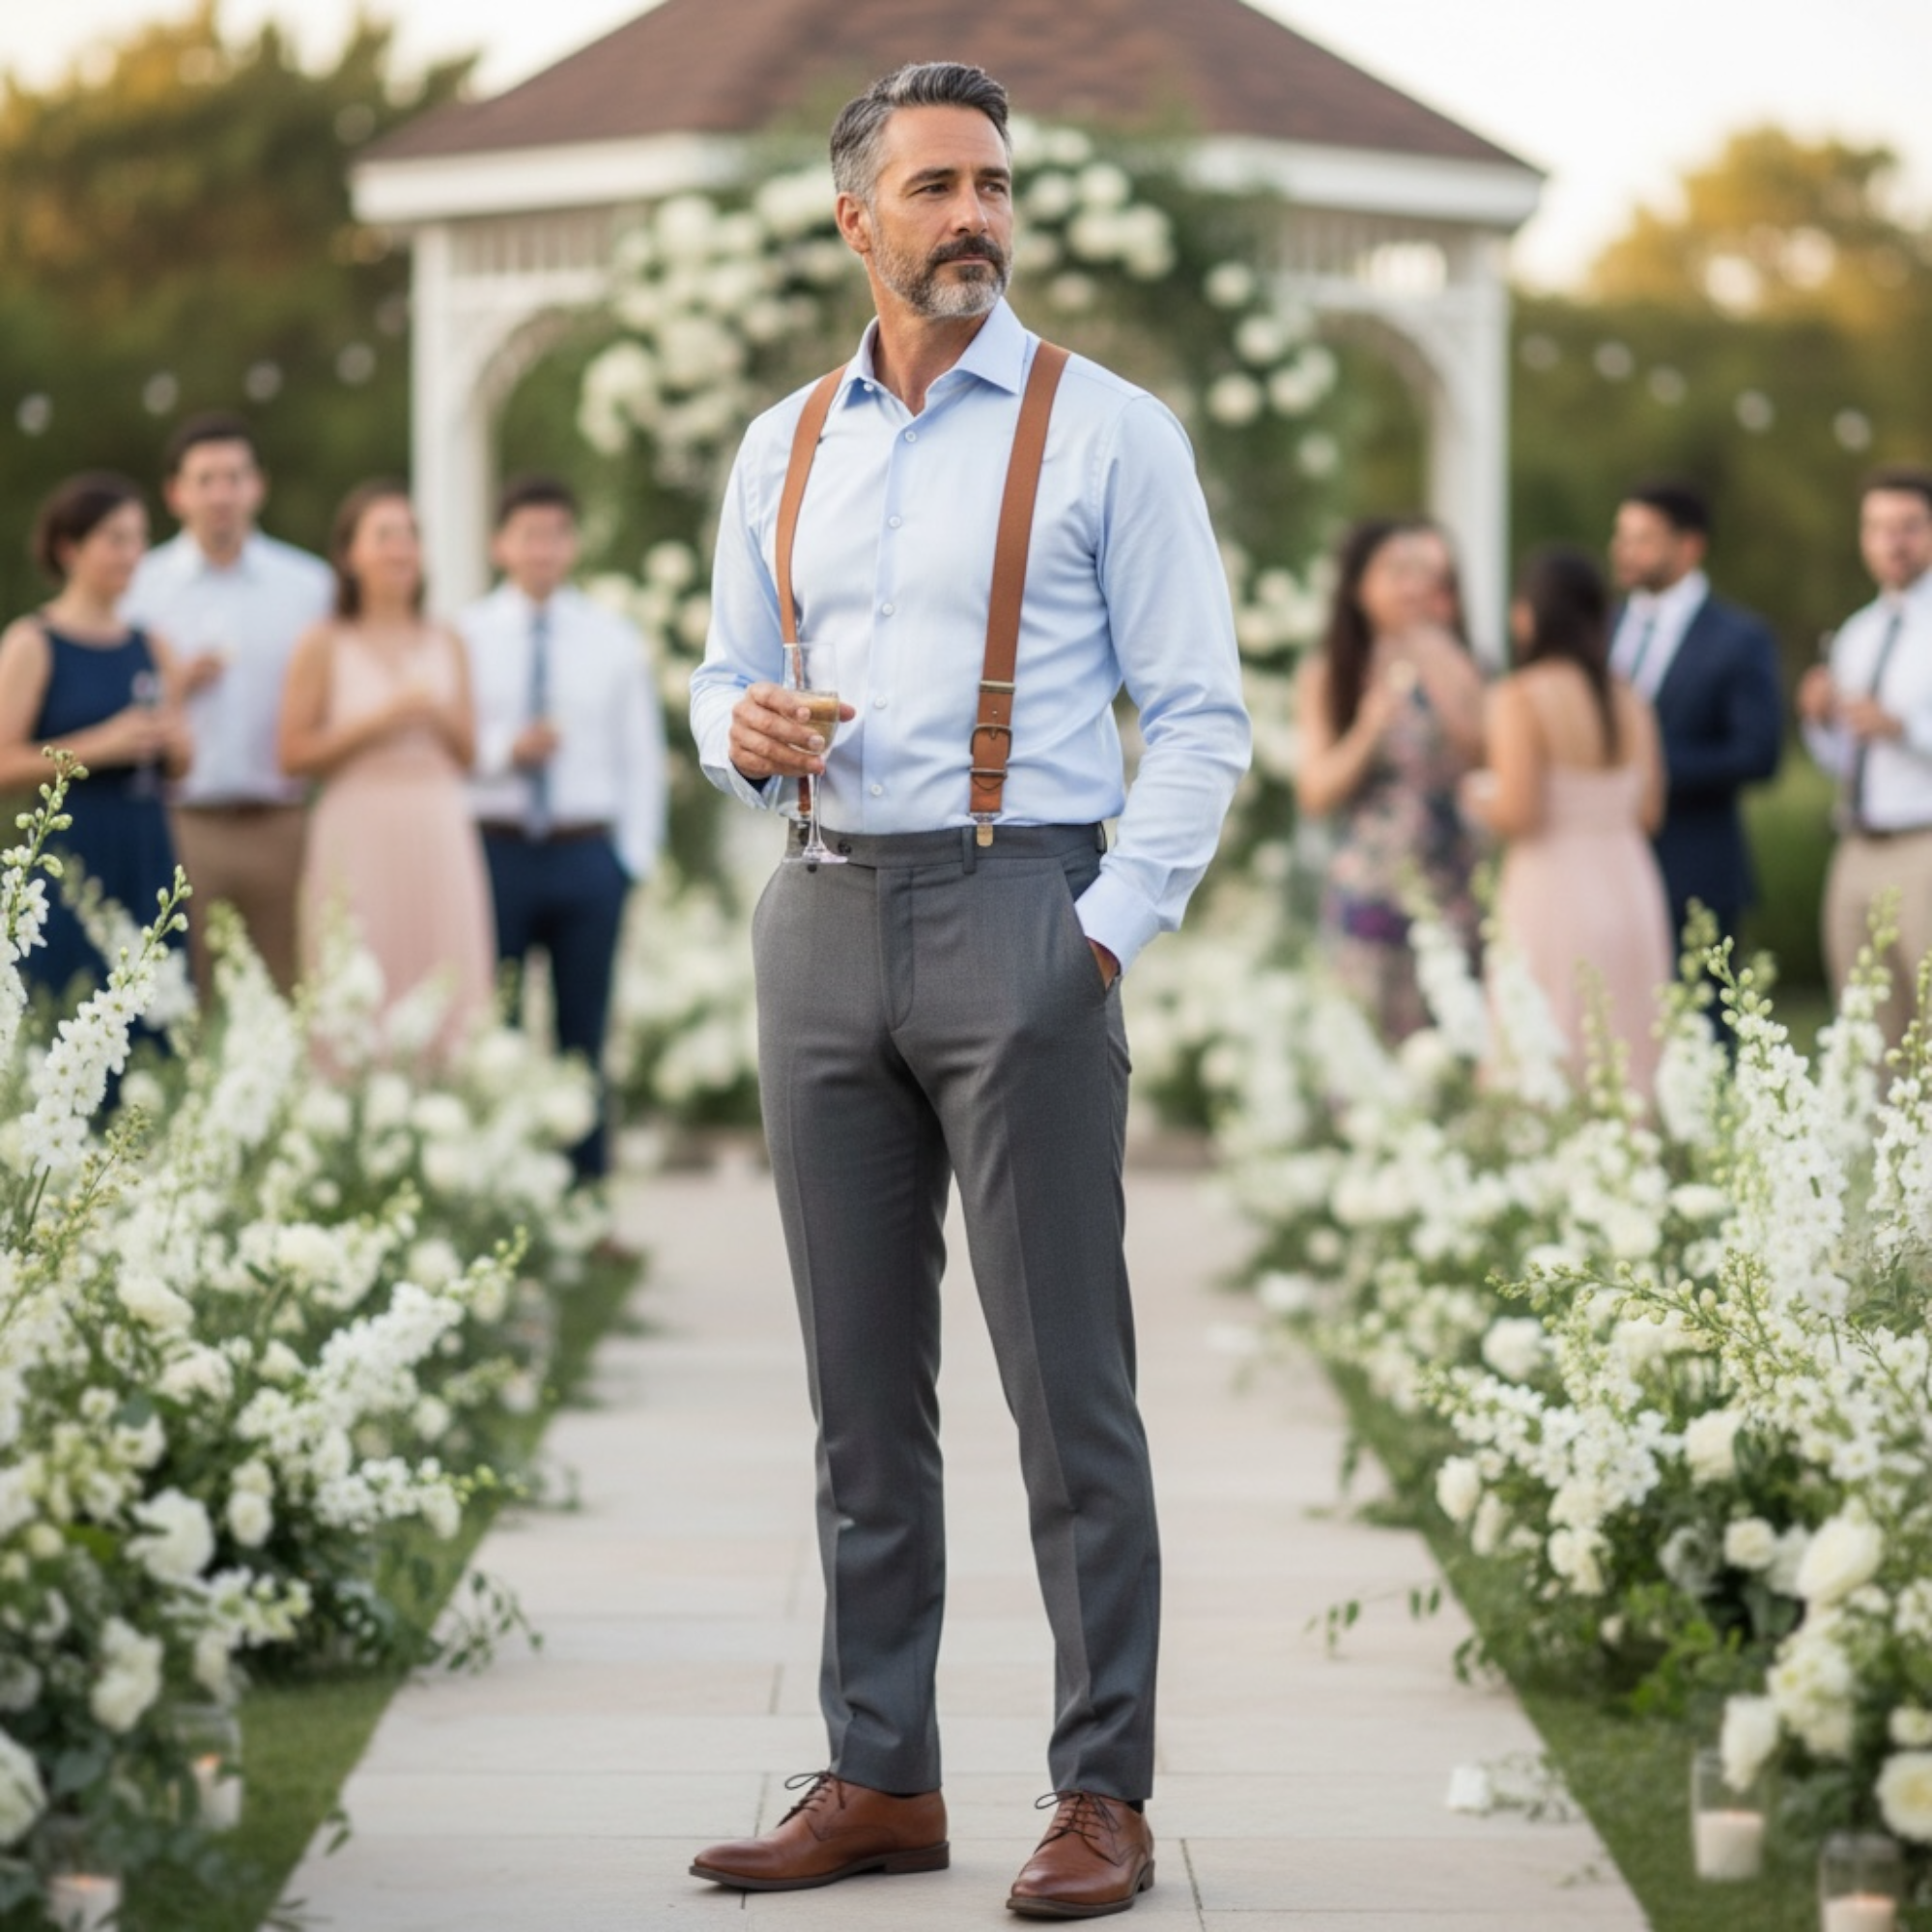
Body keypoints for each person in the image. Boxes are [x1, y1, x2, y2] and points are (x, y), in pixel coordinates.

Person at [685, 61, 1249, 1921]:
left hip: (1028, 913)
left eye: (995, 184)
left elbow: (1202, 718)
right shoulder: (784, 445)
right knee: (861, 1393)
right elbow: (724, 675)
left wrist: (1101, 933)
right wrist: (740, 731)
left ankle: (1102, 1792)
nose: (974, 217)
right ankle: (883, 1775)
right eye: (934, 187)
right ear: (858, 218)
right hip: (822, 913)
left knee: (1068, 1388)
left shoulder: (1112, 433)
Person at [460, 475, 668, 1179]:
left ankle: (586, 1202)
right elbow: (451, 747)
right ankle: (506, 1191)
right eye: (527, 534)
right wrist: (503, 752)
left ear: (571, 544)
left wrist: (629, 861)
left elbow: (641, 756)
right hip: (497, 850)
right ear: (500, 545)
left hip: (586, 855)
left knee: (585, 1036)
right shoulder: (467, 635)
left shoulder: (612, 639)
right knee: (500, 1033)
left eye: (555, 534)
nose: (542, 549)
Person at [277, 482, 494, 1054]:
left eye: (410, 535)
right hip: (356, 823)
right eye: (385, 535)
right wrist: (383, 718)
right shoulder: (322, 643)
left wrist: (436, 714)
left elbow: (470, 752)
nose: (401, 549)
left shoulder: (448, 639)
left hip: (437, 820)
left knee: (444, 967)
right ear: (350, 555)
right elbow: (293, 755)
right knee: (355, 973)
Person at [123, 412, 331, 996]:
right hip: (180, 823)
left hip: (285, 824)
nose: (222, 494)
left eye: (235, 477)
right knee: (178, 999)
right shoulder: (141, 586)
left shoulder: (311, 587)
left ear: (257, 486)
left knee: (294, 998)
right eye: (206, 479)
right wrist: (174, 685)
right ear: (176, 493)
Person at [1463, 547, 1672, 1094]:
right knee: (1627, 1036)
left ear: (1527, 615)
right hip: (1631, 886)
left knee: (1547, 1028)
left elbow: (1520, 812)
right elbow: (1650, 812)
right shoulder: (1630, 700)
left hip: (1552, 887)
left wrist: (1474, 794)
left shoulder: (1519, 697)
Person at [0, 473, 191, 999]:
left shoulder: (153, 643)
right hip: (70, 845)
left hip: (146, 841)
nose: (133, 554)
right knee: (64, 995)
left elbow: (182, 765)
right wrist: (102, 745)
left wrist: (174, 742)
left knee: (154, 1003)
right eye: (116, 539)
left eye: (139, 539)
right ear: (69, 547)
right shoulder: (33, 641)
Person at [1295, 517, 1486, 1040]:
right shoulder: (1330, 673)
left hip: (1453, 883)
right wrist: (1369, 728)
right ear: (1359, 588)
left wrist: (1441, 667)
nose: (1412, 586)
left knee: (1450, 1046)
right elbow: (1315, 793)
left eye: (1421, 572)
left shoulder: (1460, 659)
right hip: (1372, 887)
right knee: (1366, 1051)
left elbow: (1485, 754)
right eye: (1395, 572)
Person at [1607, 480, 1782, 955]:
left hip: (1696, 868)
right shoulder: (1603, 627)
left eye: (1642, 539)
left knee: (1702, 1023)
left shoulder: (1739, 638)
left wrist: (1651, 770)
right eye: (1621, 537)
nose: (1624, 551)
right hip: (1605, 867)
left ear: (1688, 547)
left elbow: (1757, 755)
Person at [1799, 463, 1932, 1045]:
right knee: (1867, 1034)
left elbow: (1896, 735)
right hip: (1856, 845)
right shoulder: (1858, 632)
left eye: (1908, 527)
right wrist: (1819, 718)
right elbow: (1845, 763)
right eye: (1877, 527)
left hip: (1924, 844)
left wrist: (1904, 728)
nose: (1891, 542)